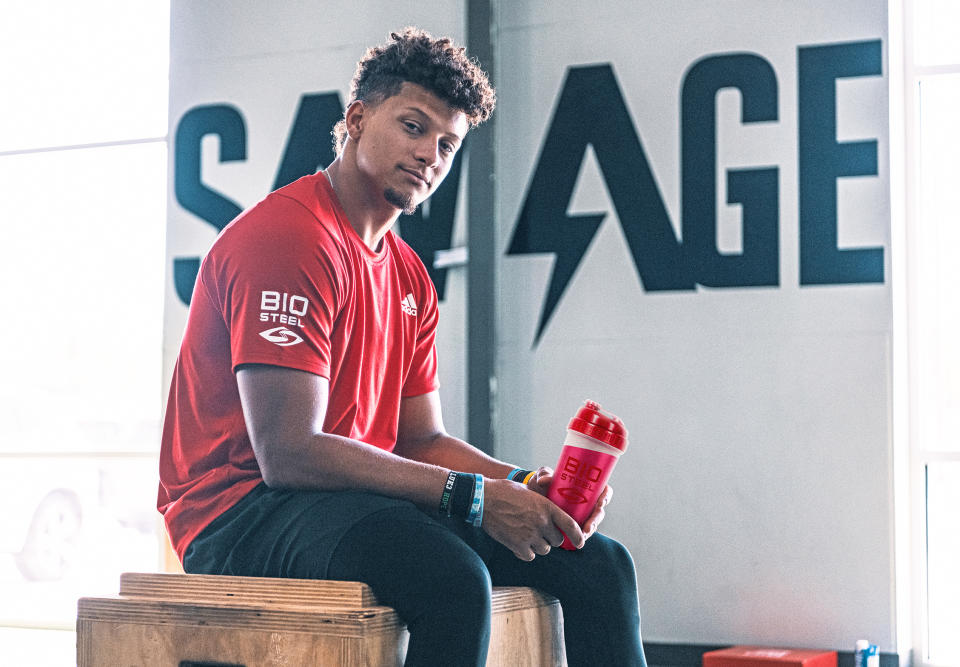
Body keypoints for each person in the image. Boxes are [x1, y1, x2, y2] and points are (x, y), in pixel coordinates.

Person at [158, 27, 647, 667]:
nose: (431, 156)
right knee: (448, 577)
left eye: (448, 144)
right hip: (238, 511)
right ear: (358, 119)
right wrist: (473, 496)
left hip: (344, 501)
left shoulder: (408, 273)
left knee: (599, 564)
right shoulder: (289, 239)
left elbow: (419, 440)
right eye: (413, 127)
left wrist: (526, 485)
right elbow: (287, 452)